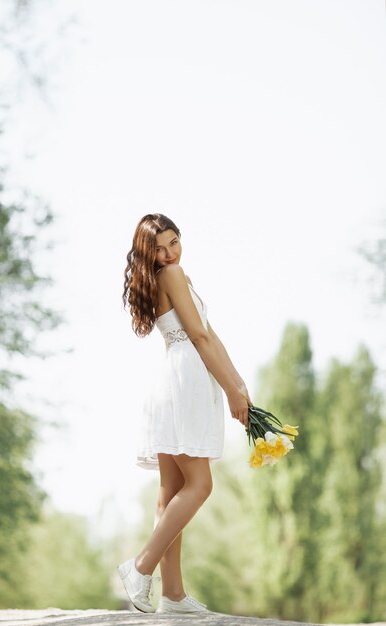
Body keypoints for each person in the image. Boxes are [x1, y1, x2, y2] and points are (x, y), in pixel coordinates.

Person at [119, 213, 252, 614]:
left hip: (172, 381)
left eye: (173, 242)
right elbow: (199, 337)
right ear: (147, 254)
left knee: (171, 493)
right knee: (199, 486)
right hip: (184, 381)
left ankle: (173, 595)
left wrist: (239, 383)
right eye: (158, 249)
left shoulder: (172, 277)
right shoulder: (172, 276)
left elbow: (210, 335)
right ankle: (140, 566)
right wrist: (231, 390)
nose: (169, 253)